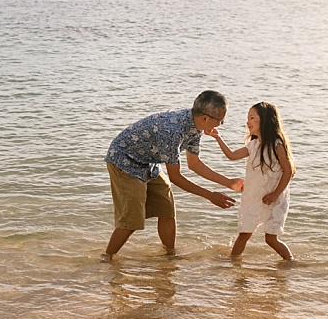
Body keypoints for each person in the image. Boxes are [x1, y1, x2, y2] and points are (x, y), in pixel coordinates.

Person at [104, 91, 244, 259]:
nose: (221, 124)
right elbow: (175, 177)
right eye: (220, 120)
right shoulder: (172, 130)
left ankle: (170, 255)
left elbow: (194, 164)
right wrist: (210, 195)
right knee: (132, 218)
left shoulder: (195, 127)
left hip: (149, 161)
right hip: (124, 159)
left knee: (167, 209)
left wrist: (228, 182)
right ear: (205, 118)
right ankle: (107, 258)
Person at [207, 101, 295, 260]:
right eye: (248, 117)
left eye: (252, 118)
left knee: (271, 239)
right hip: (254, 196)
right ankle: (233, 264)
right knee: (244, 233)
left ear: (266, 120)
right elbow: (231, 156)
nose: (248, 122)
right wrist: (217, 137)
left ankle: (290, 262)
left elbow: (288, 171)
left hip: (273, 198)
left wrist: (275, 194)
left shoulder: (277, 144)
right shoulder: (253, 145)